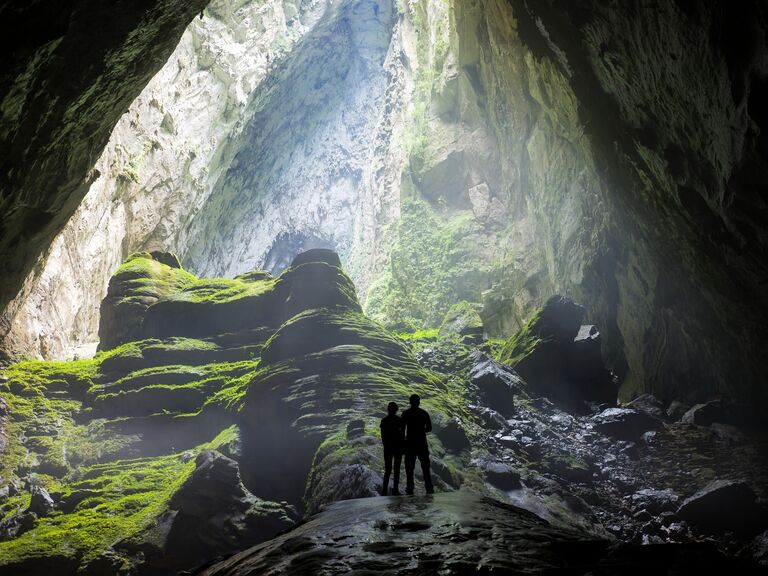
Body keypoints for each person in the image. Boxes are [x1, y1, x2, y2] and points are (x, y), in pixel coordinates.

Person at [402, 393, 434, 495]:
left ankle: (410, 489)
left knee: (409, 468)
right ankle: (429, 488)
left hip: (410, 443)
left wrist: (403, 443)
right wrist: (421, 430)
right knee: (425, 467)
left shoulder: (406, 414)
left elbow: (402, 430)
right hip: (421, 442)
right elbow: (429, 428)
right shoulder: (424, 413)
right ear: (419, 402)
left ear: (410, 402)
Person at [380, 401, 404, 495]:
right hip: (397, 447)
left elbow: (383, 436)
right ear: (396, 410)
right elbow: (402, 435)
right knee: (397, 469)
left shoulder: (384, 420)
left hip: (388, 448)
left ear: (388, 410)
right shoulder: (399, 420)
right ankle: (395, 489)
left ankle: (384, 490)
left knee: (388, 470)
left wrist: (385, 445)